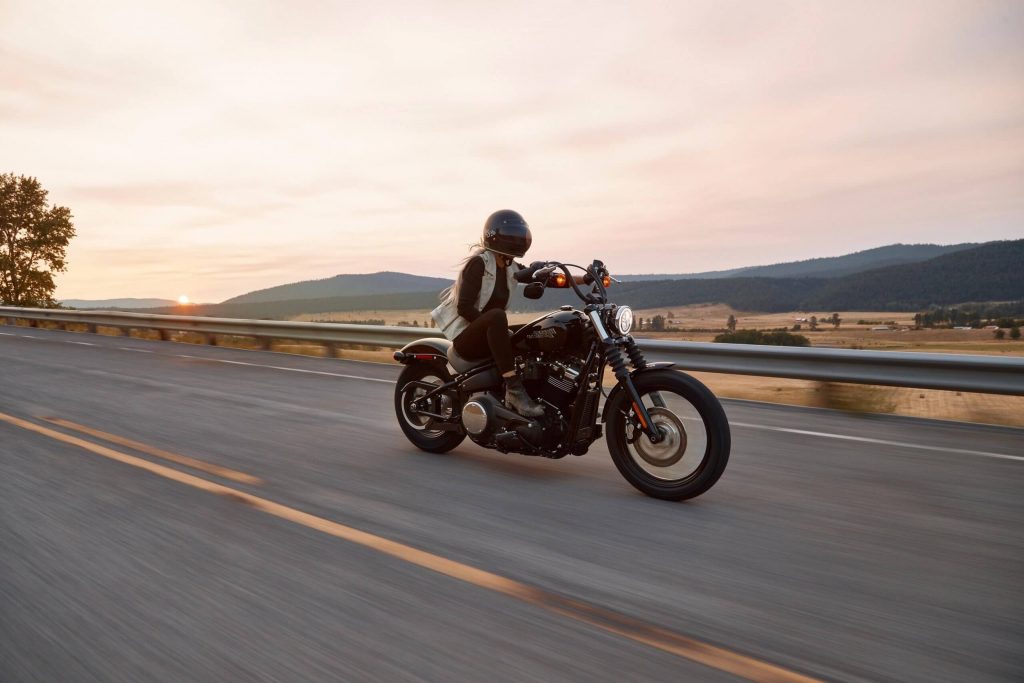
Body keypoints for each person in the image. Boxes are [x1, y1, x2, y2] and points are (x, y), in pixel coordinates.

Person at [431, 210, 545, 417]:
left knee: (534, 331)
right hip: (466, 339)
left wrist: (588, 278)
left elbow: (548, 279)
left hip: (486, 332)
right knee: (497, 316)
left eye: (519, 235)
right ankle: (514, 390)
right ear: (496, 236)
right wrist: (489, 326)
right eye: (512, 235)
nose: (517, 240)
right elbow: (464, 307)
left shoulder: (510, 266)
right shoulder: (479, 264)